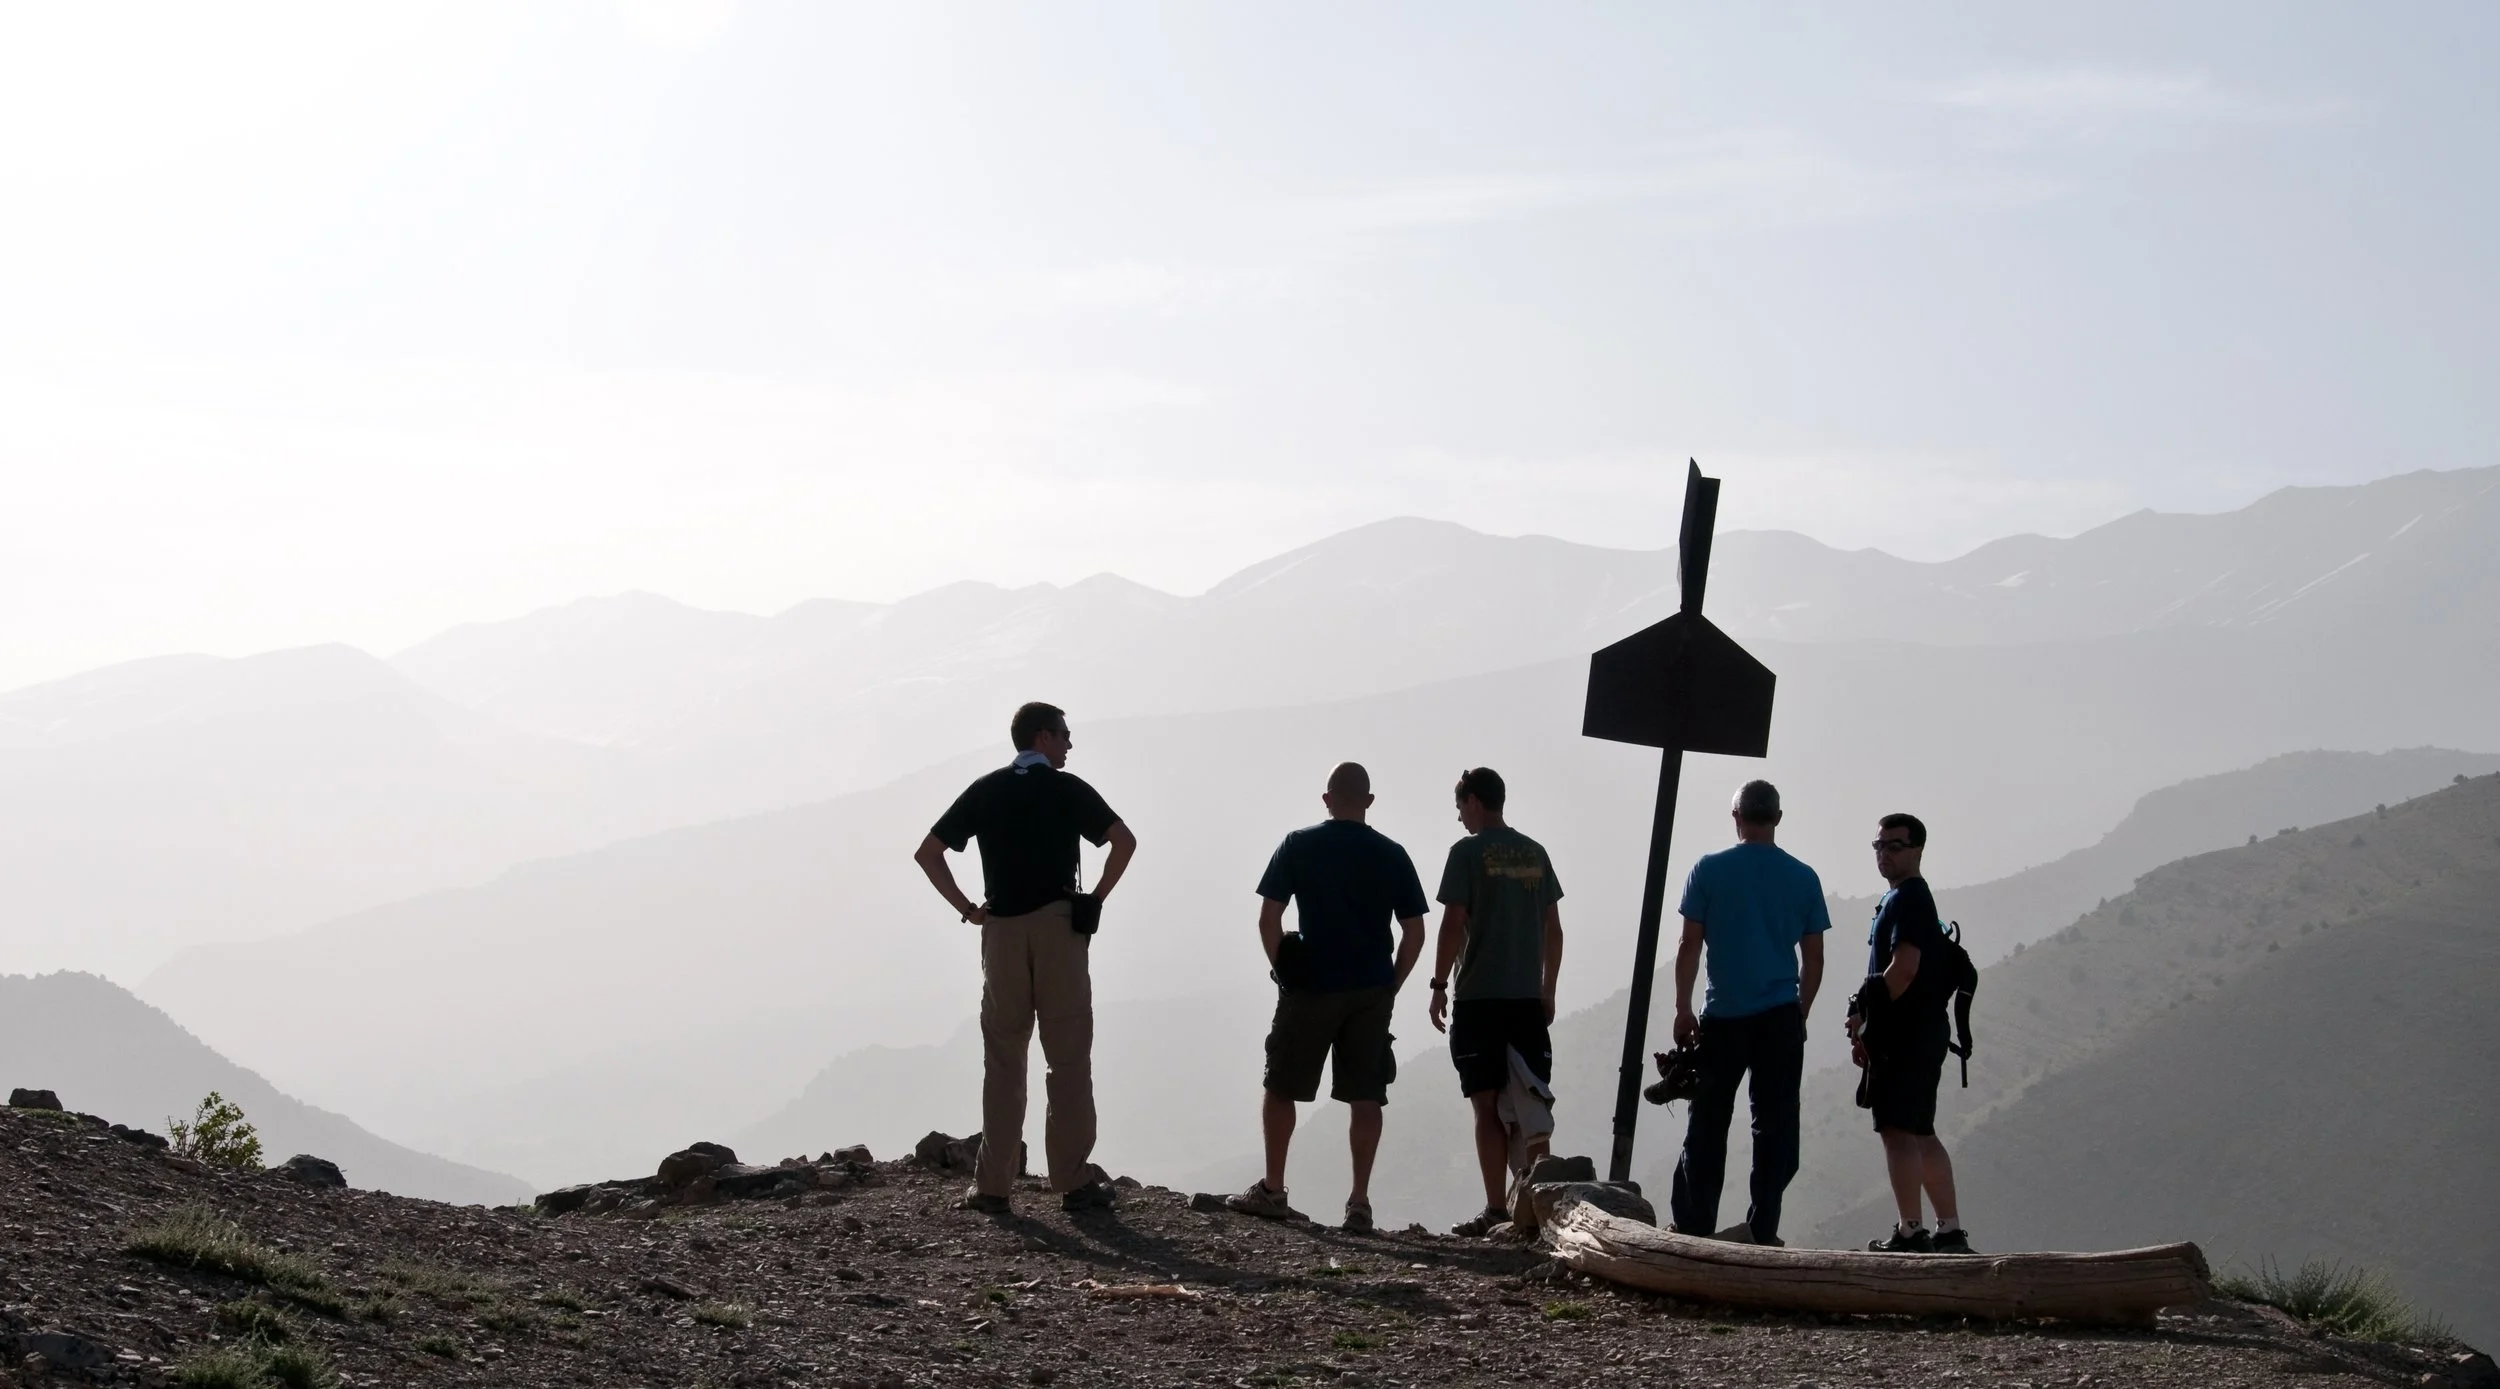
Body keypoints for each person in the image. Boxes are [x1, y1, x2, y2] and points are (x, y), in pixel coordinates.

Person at [914, 702, 1137, 1215]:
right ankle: (1073, 1182)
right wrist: (1097, 897)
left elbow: (929, 852)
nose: (1069, 745)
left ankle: (993, 1186)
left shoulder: (986, 789)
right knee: (1068, 1057)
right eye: (1063, 735)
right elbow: (1123, 842)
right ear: (1042, 737)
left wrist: (969, 909)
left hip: (1001, 930)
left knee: (1004, 1058)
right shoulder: (1068, 789)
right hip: (1059, 926)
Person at [1225, 762, 1429, 1232]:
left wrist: (1284, 972)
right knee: (1366, 1095)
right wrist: (1392, 983)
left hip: (1312, 986)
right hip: (1371, 989)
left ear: (1327, 799)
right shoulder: (1392, 854)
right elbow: (1414, 931)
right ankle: (1359, 1202)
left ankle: (1273, 1190)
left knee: (1281, 1086)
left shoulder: (1299, 844)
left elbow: (1267, 919)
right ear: (1369, 802)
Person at [1666, 780, 1828, 1247]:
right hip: (1779, 1015)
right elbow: (1813, 959)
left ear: (1735, 817)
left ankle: (1694, 1227)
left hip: (1722, 1017)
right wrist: (1802, 1010)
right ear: (1777, 818)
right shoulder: (1803, 877)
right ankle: (1762, 1228)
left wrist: (1682, 1007)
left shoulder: (1708, 870)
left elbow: (1688, 945)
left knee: (1708, 1121)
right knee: (1774, 1124)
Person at [1427, 767, 1565, 1236]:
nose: (1459, 816)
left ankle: (1496, 1210)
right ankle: (1543, 1208)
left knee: (1485, 1106)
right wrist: (1548, 989)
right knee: (1532, 1098)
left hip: (1479, 998)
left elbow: (1452, 923)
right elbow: (1554, 928)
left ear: (1474, 801)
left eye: (1460, 806)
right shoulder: (1535, 853)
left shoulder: (1466, 853)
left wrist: (1438, 984)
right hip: (1527, 997)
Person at [1849, 812, 1970, 1253]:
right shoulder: (1904, 898)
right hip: (1924, 1031)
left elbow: (1903, 971)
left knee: (1897, 1131)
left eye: (1895, 845)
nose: (1885, 853)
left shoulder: (1909, 899)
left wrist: (1865, 1019)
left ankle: (1910, 1230)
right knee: (1920, 1130)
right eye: (1879, 845)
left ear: (1917, 849)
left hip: (1903, 1034)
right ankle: (1950, 1230)